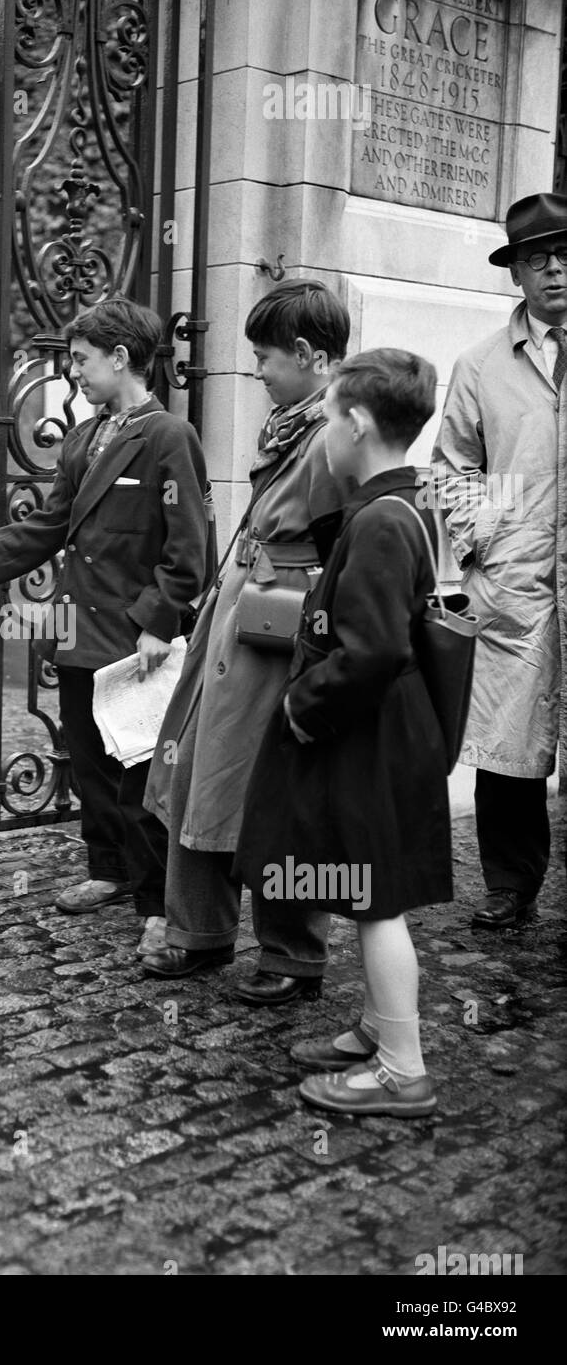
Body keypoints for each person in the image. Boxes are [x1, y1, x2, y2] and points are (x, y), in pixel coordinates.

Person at [0, 297, 212, 951]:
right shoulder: (82, 438)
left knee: (139, 775)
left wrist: (160, 623)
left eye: (81, 360)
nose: (74, 372)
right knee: (89, 765)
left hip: (137, 641)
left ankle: (158, 906)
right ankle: (106, 870)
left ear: (121, 357)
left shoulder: (168, 437)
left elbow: (190, 549)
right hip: (80, 632)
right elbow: (51, 526)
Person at [235, 349, 446, 1116]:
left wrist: (299, 705)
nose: (322, 433)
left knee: (376, 900)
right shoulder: (394, 508)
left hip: (369, 738)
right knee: (365, 895)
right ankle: (378, 1028)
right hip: (381, 734)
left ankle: (401, 1071)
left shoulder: (384, 521)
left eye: (326, 418)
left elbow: (373, 650)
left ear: (355, 423)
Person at [143, 279, 351, 1005]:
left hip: (284, 637)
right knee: (201, 768)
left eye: (264, 355)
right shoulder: (292, 423)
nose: (256, 369)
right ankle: (198, 932)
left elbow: (356, 551)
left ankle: (294, 955)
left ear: (306, 354)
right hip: (237, 622)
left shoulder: (339, 434)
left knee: (280, 793)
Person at [432, 191, 567, 930]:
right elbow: (450, 468)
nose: (554, 269)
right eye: (536, 257)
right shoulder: (481, 365)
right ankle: (510, 884)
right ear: (514, 272)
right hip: (516, 584)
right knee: (509, 746)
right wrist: (492, 535)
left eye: (565, 254)